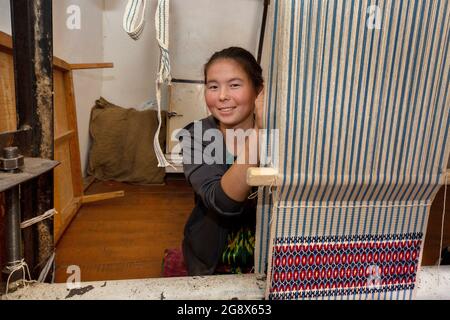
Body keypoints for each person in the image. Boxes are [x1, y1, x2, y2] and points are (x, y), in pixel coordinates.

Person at [178, 47, 265, 276]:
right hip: (212, 257)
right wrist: (259, 132)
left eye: (234, 85)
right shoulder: (195, 136)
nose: (222, 96)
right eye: (213, 86)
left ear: (259, 90)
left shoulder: (283, 134)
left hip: (269, 251)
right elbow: (224, 203)